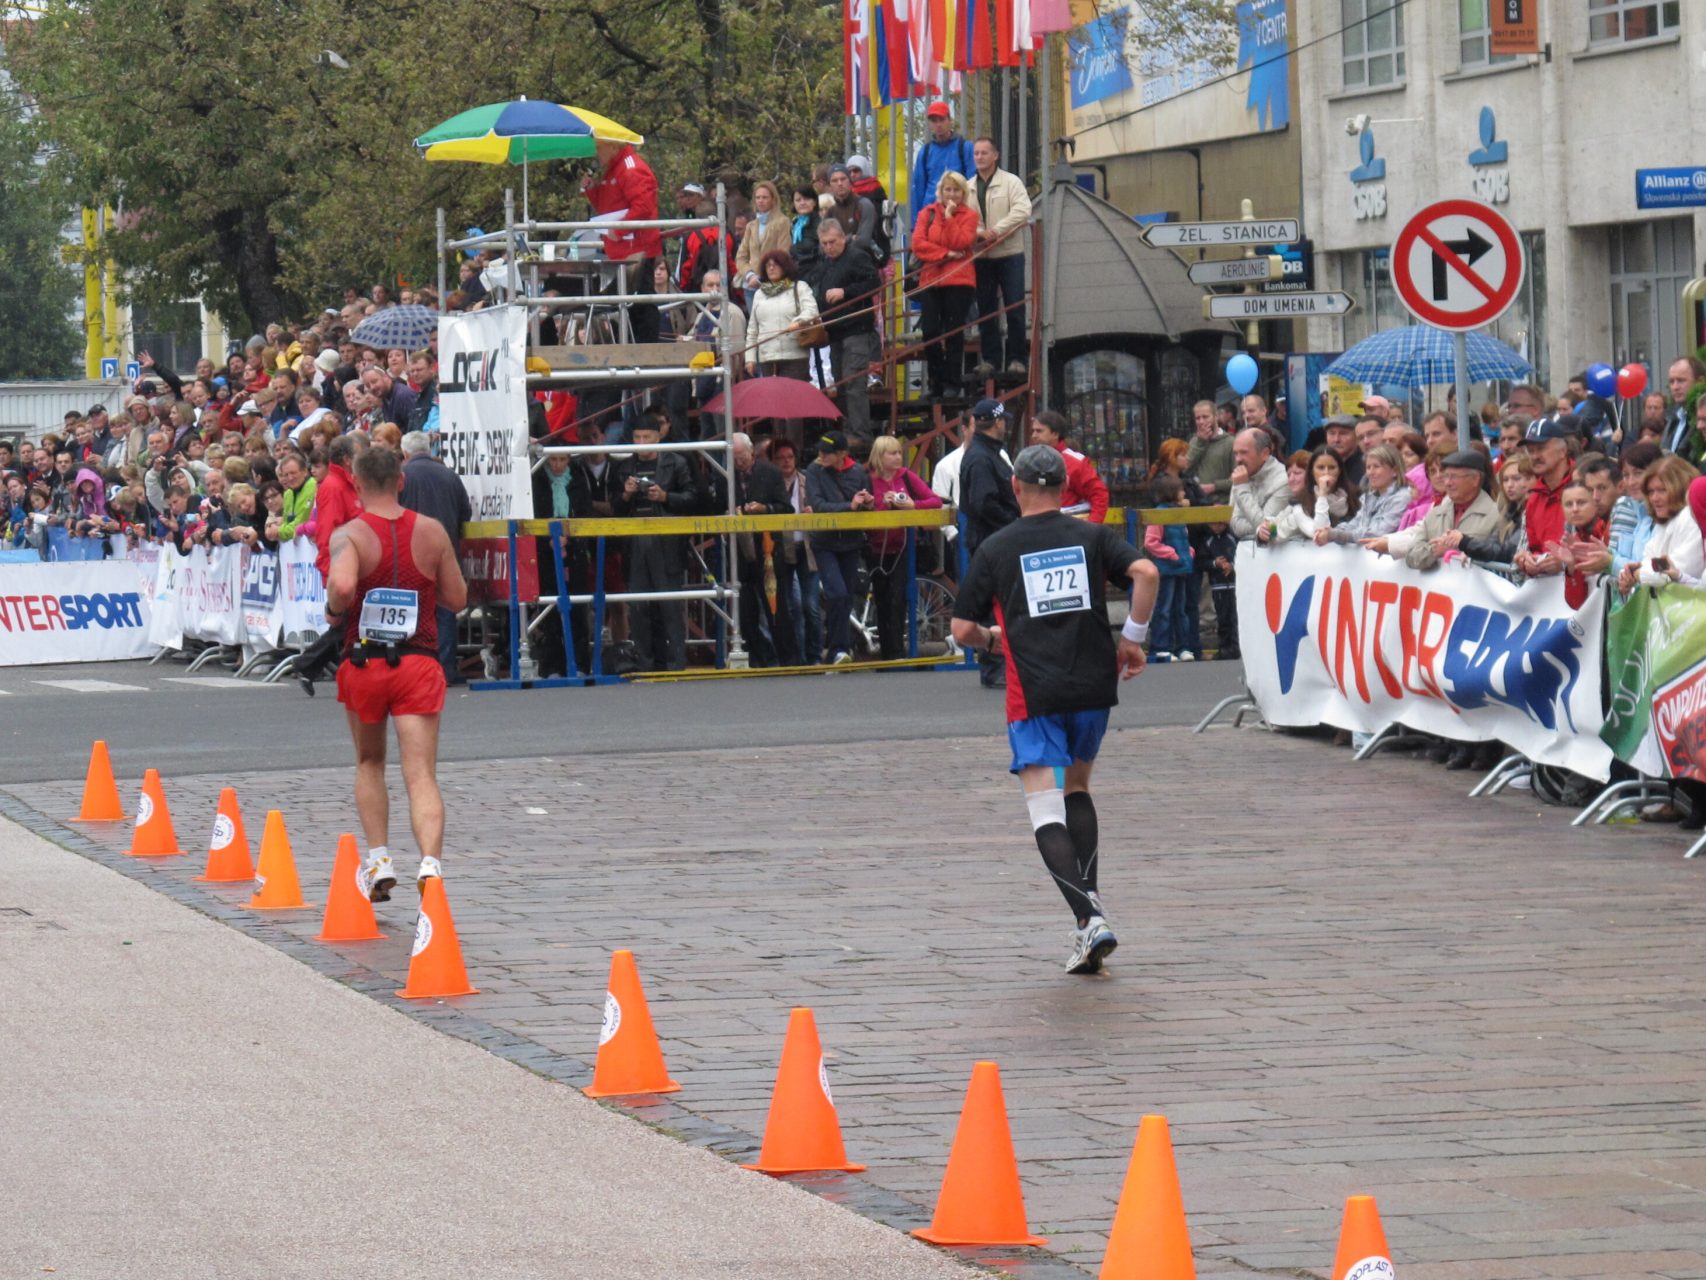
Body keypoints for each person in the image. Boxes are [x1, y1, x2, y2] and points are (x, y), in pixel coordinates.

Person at [949, 444, 1158, 975]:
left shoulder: (997, 548)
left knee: (1045, 808)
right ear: (1066, 488)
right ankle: (1091, 910)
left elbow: (962, 628)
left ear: (1015, 487)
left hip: (1034, 690)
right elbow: (1146, 573)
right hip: (1093, 684)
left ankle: (1089, 918)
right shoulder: (1090, 536)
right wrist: (1132, 639)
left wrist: (992, 640)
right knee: (1078, 789)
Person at [325, 446, 468, 902]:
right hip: (417, 662)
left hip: (365, 662)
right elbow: (457, 598)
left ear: (356, 483)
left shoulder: (350, 534)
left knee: (370, 761)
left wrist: (334, 611)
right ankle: (430, 863)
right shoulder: (432, 531)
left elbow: (342, 584)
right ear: (401, 481)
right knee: (421, 772)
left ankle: (380, 859)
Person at [614, 417, 696, 671]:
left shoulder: (676, 463)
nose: (641, 443)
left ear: (658, 437)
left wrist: (665, 496)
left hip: (666, 540)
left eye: (646, 437)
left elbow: (693, 498)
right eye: (637, 438)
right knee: (638, 607)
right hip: (635, 540)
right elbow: (614, 508)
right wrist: (626, 494)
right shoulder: (625, 466)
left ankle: (675, 663)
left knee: (670, 606)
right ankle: (645, 663)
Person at [400, 431, 472, 682]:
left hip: (410, 553)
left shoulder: (401, 475)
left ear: (405, 453)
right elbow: (465, 513)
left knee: (414, 612)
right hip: (446, 551)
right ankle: (445, 668)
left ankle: (417, 667)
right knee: (444, 611)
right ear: (428, 449)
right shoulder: (449, 475)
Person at [959, 399, 1021, 687]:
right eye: (1003, 419)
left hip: (993, 540)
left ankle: (1002, 664)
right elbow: (983, 503)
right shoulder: (982, 457)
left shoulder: (988, 453)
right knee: (993, 606)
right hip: (991, 541)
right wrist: (1013, 522)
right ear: (997, 422)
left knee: (1000, 604)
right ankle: (995, 667)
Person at [865, 434, 943, 660]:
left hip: (903, 547)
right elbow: (864, 511)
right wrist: (882, 505)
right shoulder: (868, 480)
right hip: (876, 548)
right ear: (880, 456)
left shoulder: (907, 476)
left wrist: (910, 504)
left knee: (898, 598)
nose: (898, 457)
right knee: (882, 600)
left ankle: (897, 651)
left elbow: (935, 501)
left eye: (899, 452)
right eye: (893, 453)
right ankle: (886, 653)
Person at [804, 430, 874, 664]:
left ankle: (839, 650)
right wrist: (849, 506)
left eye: (828, 452)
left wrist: (868, 503)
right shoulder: (814, 471)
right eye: (821, 451)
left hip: (851, 542)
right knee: (837, 593)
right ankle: (839, 648)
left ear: (842, 454)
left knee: (846, 596)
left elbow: (867, 504)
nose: (821, 455)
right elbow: (818, 505)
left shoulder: (858, 472)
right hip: (824, 542)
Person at [584, 136, 663, 342]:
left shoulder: (630, 168)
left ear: (613, 146)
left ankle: (646, 347)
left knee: (641, 301)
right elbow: (608, 206)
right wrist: (592, 190)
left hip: (636, 248)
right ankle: (636, 346)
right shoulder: (615, 169)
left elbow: (643, 206)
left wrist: (619, 230)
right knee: (631, 303)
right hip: (624, 249)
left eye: (599, 147)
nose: (596, 153)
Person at [910, 170, 980, 401]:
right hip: (931, 279)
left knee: (953, 332)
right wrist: (945, 254)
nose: (951, 194)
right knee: (930, 331)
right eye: (947, 189)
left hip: (959, 281)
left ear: (963, 193)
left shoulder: (969, 216)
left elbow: (961, 241)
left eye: (956, 190)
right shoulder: (927, 213)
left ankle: (952, 382)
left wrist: (949, 218)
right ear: (940, 191)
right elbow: (918, 244)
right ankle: (936, 382)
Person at [812, 219, 881, 445]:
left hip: (856, 329)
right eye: (824, 243)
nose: (828, 247)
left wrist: (846, 292)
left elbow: (874, 283)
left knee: (854, 382)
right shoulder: (825, 263)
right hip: (835, 331)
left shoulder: (857, 257)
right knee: (841, 384)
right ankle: (847, 431)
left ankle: (860, 433)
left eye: (832, 242)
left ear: (843, 238)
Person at [1374, 450, 1503, 570]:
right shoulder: (1435, 513)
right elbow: (1411, 557)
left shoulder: (1495, 515)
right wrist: (1435, 550)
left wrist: (1459, 548)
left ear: (1475, 479)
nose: (1447, 483)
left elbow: (1499, 556)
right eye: (1446, 476)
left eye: (1454, 477)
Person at [968, 136, 1032, 378]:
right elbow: (964, 218)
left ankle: (1017, 359)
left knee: (1014, 306)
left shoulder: (1011, 182)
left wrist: (996, 231)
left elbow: (1022, 210)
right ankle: (991, 359)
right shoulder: (968, 186)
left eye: (984, 153)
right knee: (986, 309)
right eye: (976, 153)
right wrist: (979, 233)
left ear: (996, 156)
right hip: (982, 255)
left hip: (1009, 253)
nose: (979, 157)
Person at [729, 432, 793, 667]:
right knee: (746, 612)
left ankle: (788, 660)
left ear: (751, 453)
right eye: (734, 458)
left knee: (777, 610)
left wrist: (764, 509)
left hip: (768, 550)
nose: (738, 462)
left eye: (742, 457)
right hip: (739, 552)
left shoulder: (771, 472)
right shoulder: (725, 475)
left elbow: (785, 508)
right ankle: (758, 660)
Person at [1618, 455, 1705, 595]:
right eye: (1651, 491)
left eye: (1662, 490)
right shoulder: (1665, 522)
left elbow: (1676, 570)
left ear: (1680, 489)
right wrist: (1633, 571)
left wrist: (1638, 573)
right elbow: (1652, 559)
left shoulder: (1690, 518)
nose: (1654, 498)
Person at [771, 439, 819, 666]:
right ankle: (797, 657)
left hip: (807, 548)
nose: (786, 462)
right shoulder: (772, 484)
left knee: (811, 606)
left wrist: (814, 510)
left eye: (790, 457)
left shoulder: (808, 481)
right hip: (783, 549)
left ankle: (814, 656)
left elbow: (820, 504)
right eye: (780, 458)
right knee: (791, 607)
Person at [1514, 414, 1575, 580]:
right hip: (1546, 591)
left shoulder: (1583, 486)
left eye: (1541, 448)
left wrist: (1564, 563)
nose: (1535, 456)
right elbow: (1529, 549)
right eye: (1530, 451)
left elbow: (1598, 545)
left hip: (1581, 590)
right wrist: (1525, 561)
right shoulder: (1534, 498)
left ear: (1562, 451)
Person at [744, 250, 819, 383]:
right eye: (768, 265)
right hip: (767, 358)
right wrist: (750, 358)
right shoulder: (759, 294)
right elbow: (752, 329)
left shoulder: (800, 287)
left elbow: (812, 311)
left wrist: (799, 322)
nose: (771, 268)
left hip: (795, 356)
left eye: (776, 264)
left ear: (785, 267)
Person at [1144, 474, 1196, 661]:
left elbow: (1184, 537)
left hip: (1181, 566)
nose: (1184, 493)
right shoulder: (1160, 514)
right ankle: (1161, 647)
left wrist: (1188, 552)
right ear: (1172, 492)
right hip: (1167, 568)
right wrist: (1174, 554)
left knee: (1179, 609)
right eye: (1181, 489)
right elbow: (1151, 542)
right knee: (1164, 608)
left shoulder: (1177, 513)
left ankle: (1182, 647)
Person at [1317, 443, 1410, 547]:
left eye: (1376, 467)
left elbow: (1375, 534)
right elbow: (1355, 524)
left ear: (1395, 471)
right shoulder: (1368, 497)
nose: (1370, 472)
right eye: (1368, 467)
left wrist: (1335, 535)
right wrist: (1330, 531)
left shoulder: (1402, 498)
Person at [1029, 410, 1108, 522]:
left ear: (1055, 434)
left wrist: (1091, 526)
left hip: (1066, 526)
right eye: (1033, 431)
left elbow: (1099, 495)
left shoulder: (1076, 463)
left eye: (1039, 431)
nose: (1034, 436)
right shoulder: (1029, 460)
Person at [910, 101, 976, 222]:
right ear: (929, 124)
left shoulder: (965, 147)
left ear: (950, 121)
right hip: (931, 215)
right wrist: (915, 224)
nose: (938, 124)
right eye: (934, 121)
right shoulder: (925, 152)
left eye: (942, 119)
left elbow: (972, 184)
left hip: (958, 214)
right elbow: (918, 189)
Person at [734, 181, 792, 301]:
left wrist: (761, 278)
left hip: (772, 285)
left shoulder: (783, 222)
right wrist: (750, 275)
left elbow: (783, 253)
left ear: (773, 199)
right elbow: (741, 256)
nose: (760, 201)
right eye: (758, 197)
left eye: (765, 197)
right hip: (750, 285)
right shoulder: (751, 226)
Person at [1227, 427, 1289, 539]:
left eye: (1244, 452)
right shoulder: (1241, 475)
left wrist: (1242, 488)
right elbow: (1235, 525)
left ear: (1265, 453)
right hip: (1245, 547)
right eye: (1235, 453)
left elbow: (1267, 528)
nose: (1238, 459)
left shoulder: (1284, 480)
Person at [1186, 399, 1237, 499]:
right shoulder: (1194, 441)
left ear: (1216, 416)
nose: (1201, 422)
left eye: (1205, 417)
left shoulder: (1230, 442)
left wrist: (1214, 487)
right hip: (1197, 502)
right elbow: (1185, 470)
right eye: (1197, 418)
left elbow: (1239, 478)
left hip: (1221, 502)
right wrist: (1200, 443)